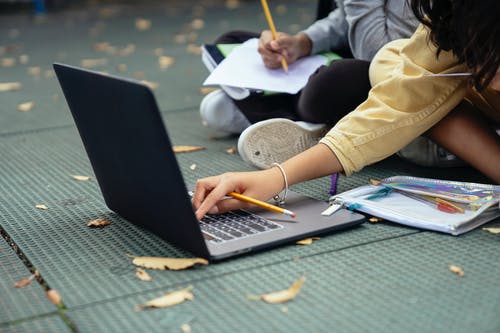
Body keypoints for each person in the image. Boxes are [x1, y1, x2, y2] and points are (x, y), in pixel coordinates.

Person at [192, 0, 500, 219]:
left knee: (364, 72)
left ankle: (341, 130)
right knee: (390, 65)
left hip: (398, 95)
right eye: (475, 56)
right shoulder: (454, 18)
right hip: (437, 102)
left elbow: (374, 48)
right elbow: (398, 101)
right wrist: (276, 178)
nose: (488, 72)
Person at [200, 1, 419, 162]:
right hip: (343, 62)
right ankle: (301, 126)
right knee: (232, 42)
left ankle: (275, 117)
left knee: (332, 80)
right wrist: (302, 43)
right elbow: (344, 19)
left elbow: (383, 60)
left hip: (398, 80)